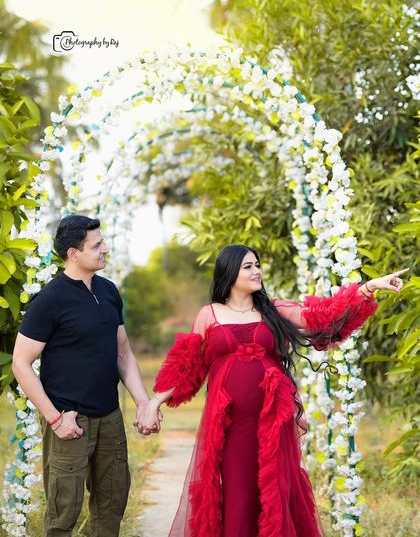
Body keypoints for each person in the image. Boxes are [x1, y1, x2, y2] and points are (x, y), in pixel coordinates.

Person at [140, 244, 408, 537]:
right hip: (231, 426)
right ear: (229, 273)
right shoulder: (210, 314)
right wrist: (154, 403)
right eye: (248, 267)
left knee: (273, 496)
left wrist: (368, 288)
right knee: (238, 496)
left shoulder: (274, 309)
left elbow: (324, 316)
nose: (257, 271)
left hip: (272, 423)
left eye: (258, 265)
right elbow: (187, 366)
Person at [12, 215, 161, 537]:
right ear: (73, 253)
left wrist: (143, 403)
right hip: (69, 420)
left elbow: (123, 352)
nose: (105, 249)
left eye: (103, 242)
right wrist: (54, 419)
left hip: (109, 416)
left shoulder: (108, 291)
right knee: (63, 511)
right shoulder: (49, 300)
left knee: (112, 505)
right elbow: (21, 363)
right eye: (97, 245)